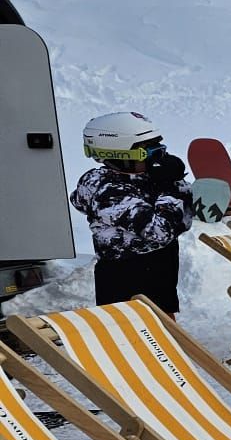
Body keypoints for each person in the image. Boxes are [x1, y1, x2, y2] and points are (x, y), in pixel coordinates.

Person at [69, 111, 193, 314]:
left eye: (160, 150)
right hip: (126, 278)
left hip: (161, 269)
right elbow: (161, 231)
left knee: (165, 327)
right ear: (121, 155)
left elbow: (185, 220)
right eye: (150, 153)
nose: (158, 160)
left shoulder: (145, 179)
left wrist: (175, 182)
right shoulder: (107, 191)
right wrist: (171, 186)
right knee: (129, 329)